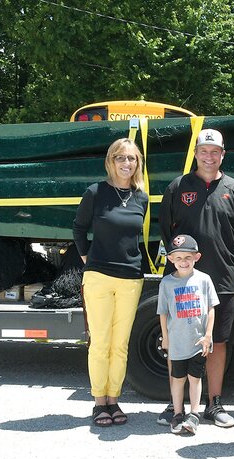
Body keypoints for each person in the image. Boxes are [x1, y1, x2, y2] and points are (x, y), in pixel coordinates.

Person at [158, 128, 234, 428]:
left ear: (223, 154)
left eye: (215, 151)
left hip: (221, 279)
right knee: (177, 341)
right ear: (196, 153)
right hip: (182, 281)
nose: (209, 156)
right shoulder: (178, 187)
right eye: (204, 150)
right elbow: (165, 231)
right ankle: (176, 406)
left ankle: (214, 403)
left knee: (216, 342)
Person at [73, 138, 148, 427]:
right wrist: (86, 260)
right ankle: (98, 402)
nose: (126, 164)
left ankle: (114, 399)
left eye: (131, 159)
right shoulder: (96, 192)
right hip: (99, 277)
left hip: (130, 278)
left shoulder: (141, 197)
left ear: (137, 163)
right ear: (110, 161)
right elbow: (79, 228)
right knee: (100, 342)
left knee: (120, 345)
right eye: (121, 158)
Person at [157, 234, 218, 435]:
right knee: (178, 379)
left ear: (197, 257)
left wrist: (208, 335)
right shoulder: (166, 283)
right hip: (177, 342)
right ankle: (177, 412)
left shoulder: (204, 280)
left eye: (188, 257)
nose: (183, 262)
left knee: (195, 378)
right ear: (171, 259)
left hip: (198, 342)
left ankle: (194, 413)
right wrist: (165, 337)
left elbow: (211, 308)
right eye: (178, 258)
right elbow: (163, 313)